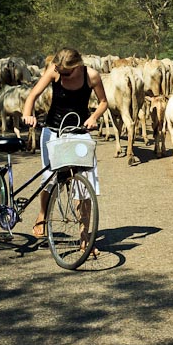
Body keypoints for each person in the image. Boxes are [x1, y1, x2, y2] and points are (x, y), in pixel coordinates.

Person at [22, 48, 108, 256]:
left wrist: (94, 117)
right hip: (52, 131)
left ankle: (84, 237)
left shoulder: (91, 76)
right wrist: (28, 114)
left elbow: (104, 102)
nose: (63, 74)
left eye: (67, 72)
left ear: (77, 66)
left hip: (79, 131)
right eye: (60, 70)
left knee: (84, 185)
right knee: (50, 179)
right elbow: (33, 95)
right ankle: (42, 215)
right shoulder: (54, 71)